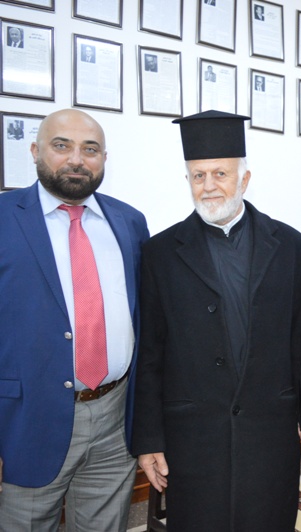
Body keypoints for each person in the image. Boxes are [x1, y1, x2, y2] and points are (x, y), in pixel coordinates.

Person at [132, 110, 301, 530]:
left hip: (270, 431)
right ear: (188, 180)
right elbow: (150, 353)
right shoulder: (160, 253)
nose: (209, 185)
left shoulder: (290, 245)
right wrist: (149, 439)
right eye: (198, 175)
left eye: (220, 173)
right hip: (192, 437)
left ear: (244, 179)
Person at [0, 109, 149, 530]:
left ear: (104, 159)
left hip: (115, 417)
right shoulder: (4, 218)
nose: (77, 160)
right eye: (61, 146)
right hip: (24, 424)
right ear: (35, 151)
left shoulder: (130, 222)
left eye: (90, 149)